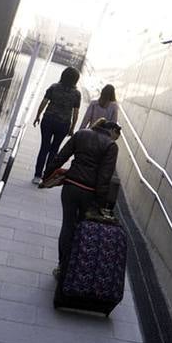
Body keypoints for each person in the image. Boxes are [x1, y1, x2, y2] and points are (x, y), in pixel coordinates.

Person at [51, 118, 121, 277]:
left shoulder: (81, 134)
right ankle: (75, 267)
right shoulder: (111, 146)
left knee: (67, 226)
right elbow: (104, 177)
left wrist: (48, 174)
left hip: (70, 187)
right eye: (116, 136)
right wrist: (100, 203)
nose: (115, 139)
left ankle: (62, 266)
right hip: (89, 193)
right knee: (83, 229)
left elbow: (62, 155)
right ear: (112, 131)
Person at [32, 67, 82, 185]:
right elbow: (76, 112)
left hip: (48, 120)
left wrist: (38, 115)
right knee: (54, 150)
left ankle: (37, 175)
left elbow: (44, 102)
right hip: (63, 124)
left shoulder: (53, 87)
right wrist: (72, 127)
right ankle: (47, 176)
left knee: (44, 147)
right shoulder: (76, 94)